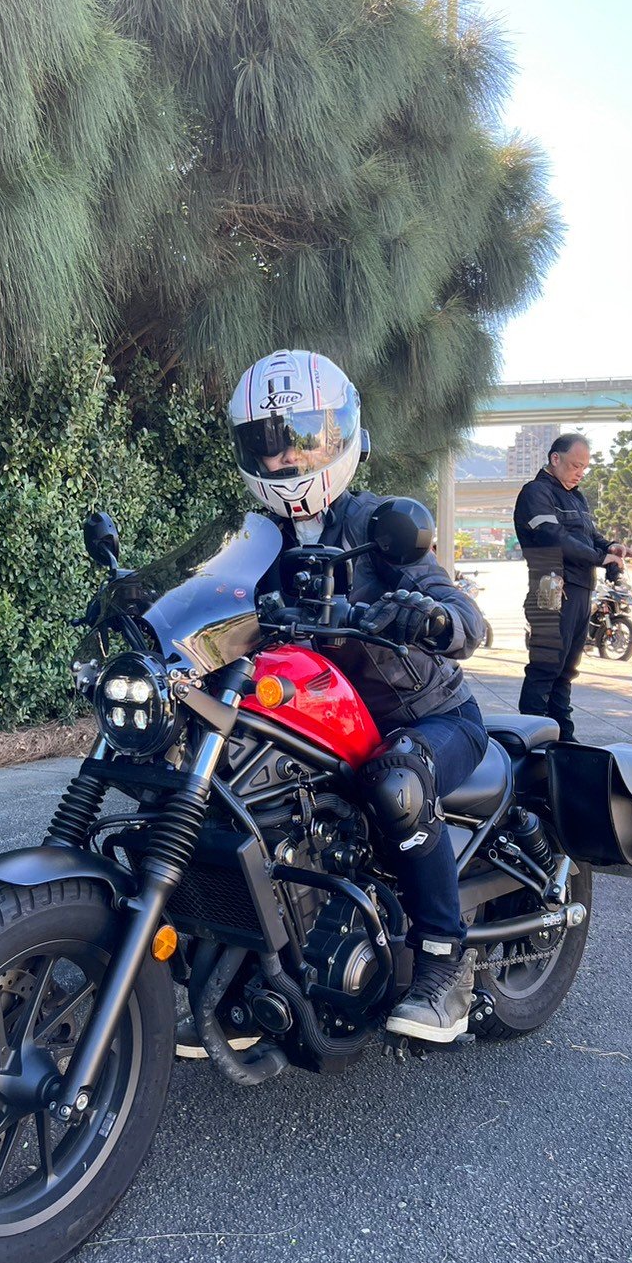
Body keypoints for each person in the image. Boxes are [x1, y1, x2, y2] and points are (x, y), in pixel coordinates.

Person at [225, 348, 488, 1044]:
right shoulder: (256, 538)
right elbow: (216, 598)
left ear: (340, 437)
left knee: (399, 782)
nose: (287, 456)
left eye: (302, 437)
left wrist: (430, 619)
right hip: (325, 721)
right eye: (269, 442)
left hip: (429, 717)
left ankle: (444, 965)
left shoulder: (380, 528)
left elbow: (463, 614)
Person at [513, 433, 631, 741]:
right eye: (575, 465)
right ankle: (532, 740)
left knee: (566, 670)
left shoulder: (576, 497)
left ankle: (563, 738)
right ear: (555, 459)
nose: (580, 473)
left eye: (584, 468)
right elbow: (553, 537)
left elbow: (589, 536)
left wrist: (611, 547)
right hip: (550, 590)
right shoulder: (536, 493)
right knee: (545, 668)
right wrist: (599, 558)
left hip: (580, 590)